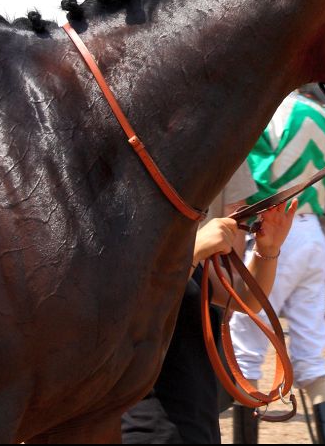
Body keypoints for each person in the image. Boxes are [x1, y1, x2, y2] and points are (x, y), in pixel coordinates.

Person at [229, 92, 325, 444]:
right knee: (311, 355)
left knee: (246, 350)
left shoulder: (258, 109)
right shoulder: (323, 115)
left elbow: (249, 181)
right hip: (313, 237)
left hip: (270, 235)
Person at [120, 178, 296, 445]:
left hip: (197, 425)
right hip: (146, 429)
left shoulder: (175, 242)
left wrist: (267, 249)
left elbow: (245, 299)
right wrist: (194, 250)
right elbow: (141, 310)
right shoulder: (119, 248)